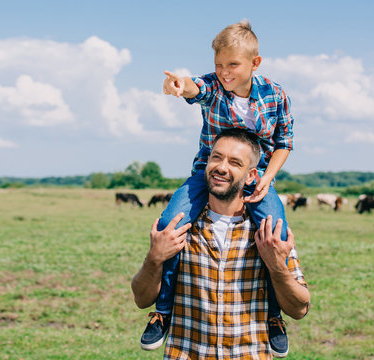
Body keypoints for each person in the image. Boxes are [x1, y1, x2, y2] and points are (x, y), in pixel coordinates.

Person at [140, 20, 295, 356]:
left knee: (276, 234)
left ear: (255, 63)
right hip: (206, 174)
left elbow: (284, 141)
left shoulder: (275, 94)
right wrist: (180, 85)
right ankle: (162, 312)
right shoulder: (213, 86)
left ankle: (273, 317)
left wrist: (267, 177)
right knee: (170, 225)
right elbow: (198, 88)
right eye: (219, 65)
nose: (225, 72)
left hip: (256, 178)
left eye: (233, 65)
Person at [132, 129, 309, 359]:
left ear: (251, 176)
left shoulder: (268, 233)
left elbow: (299, 309)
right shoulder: (179, 227)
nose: (222, 167)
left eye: (235, 162)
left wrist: (277, 266)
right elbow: (141, 298)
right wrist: (154, 258)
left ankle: (275, 321)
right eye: (216, 157)